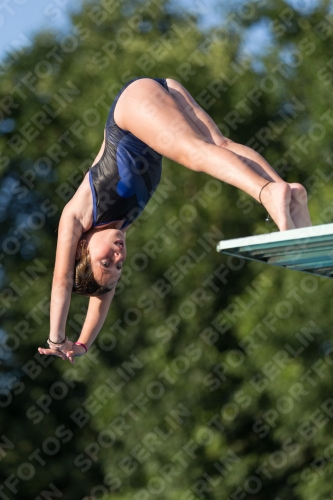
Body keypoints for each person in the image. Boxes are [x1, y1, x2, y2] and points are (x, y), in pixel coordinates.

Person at [38, 77, 312, 364]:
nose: (118, 256)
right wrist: (82, 344)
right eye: (119, 265)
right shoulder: (119, 225)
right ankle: (291, 197)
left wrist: (57, 338)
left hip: (133, 105)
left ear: (82, 249)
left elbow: (62, 280)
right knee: (220, 144)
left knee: (194, 153)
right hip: (161, 91)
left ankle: (268, 192)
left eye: (106, 261)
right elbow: (103, 294)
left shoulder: (77, 216)